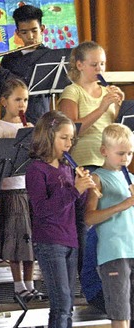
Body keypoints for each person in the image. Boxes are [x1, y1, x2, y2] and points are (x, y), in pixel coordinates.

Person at [26, 111, 96, 328]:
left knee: (69, 305)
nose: (69, 143)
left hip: (70, 239)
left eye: (71, 138)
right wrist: (76, 190)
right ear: (48, 136)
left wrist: (84, 188)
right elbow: (43, 210)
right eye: (63, 138)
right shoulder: (36, 170)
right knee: (61, 303)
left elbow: (75, 207)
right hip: (49, 240)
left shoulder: (67, 168)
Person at [59, 41, 124, 275]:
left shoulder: (107, 92)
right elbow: (73, 131)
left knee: (111, 219)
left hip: (110, 164)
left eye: (103, 64)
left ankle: (113, 269)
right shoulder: (72, 91)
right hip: (84, 163)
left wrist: (119, 108)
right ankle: (86, 275)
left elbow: (114, 129)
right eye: (94, 64)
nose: (100, 69)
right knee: (87, 222)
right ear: (79, 65)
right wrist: (102, 107)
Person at [0, 78, 44, 302]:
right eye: (17, 99)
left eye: (26, 100)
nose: (22, 105)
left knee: (31, 240)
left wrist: (33, 139)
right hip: (11, 191)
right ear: (4, 101)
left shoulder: (29, 126)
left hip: (30, 189)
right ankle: (18, 284)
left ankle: (30, 284)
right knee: (16, 241)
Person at [84, 123, 134, 328]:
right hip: (114, 254)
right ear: (104, 151)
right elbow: (88, 218)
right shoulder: (97, 179)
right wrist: (124, 203)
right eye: (120, 153)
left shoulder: (131, 179)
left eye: (130, 153)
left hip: (132, 249)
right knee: (120, 312)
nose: (126, 159)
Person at [0, 4, 51, 125]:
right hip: (9, 123)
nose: (30, 37)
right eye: (24, 32)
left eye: (34, 31)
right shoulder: (9, 58)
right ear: (17, 33)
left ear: (42, 29)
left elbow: (28, 87)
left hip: (37, 122)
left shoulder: (48, 56)